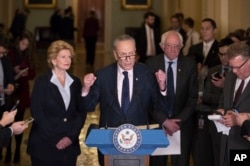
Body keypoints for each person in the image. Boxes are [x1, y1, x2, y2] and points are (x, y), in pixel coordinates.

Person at [82, 34, 166, 166]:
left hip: (140, 142)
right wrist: (86, 89)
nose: (128, 60)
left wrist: (162, 87)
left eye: (131, 54)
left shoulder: (147, 74)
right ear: (115, 55)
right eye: (123, 55)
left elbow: (159, 107)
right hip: (109, 142)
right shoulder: (103, 75)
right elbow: (89, 106)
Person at [27, 40, 87, 166]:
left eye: (69, 56)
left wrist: (71, 137)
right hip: (44, 147)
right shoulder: (42, 82)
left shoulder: (75, 82)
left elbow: (81, 112)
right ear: (53, 60)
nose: (68, 60)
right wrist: (56, 139)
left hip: (69, 148)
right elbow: (37, 113)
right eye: (63, 57)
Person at [145, 30, 198, 166]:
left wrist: (177, 122)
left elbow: (192, 98)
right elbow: (148, 99)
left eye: (177, 46)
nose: (173, 50)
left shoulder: (190, 64)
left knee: (181, 163)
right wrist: (164, 121)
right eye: (169, 45)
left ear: (181, 46)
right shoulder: (151, 64)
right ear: (162, 46)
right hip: (157, 123)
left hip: (182, 124)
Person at [193, 37, 233, 166]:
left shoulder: (238, 72)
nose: (223, 58)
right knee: (211, 156)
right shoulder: (213, 70)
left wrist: (225, 87)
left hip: (232, 122)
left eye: (226, 54)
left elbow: (234, 100)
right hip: (213, 120)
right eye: (221, 54)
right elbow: (206, 96)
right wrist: (212, 98)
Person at [215, 42, 250, 166]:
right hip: (226, 141)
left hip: (244, 143)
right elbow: (223, 101)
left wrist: (237, 120)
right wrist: (220, 112)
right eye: (231, 67)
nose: (234, 71)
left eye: (238, 67)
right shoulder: (230, 76)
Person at [5, 31, 36, 163]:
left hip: (22, 91)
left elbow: (33, 73)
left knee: (19, 121)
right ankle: (7, 151)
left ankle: (17, 150)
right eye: (23, 44)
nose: (24, 47)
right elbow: (5, 69)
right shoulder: (10, 53)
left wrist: (25, 74)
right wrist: (14, 70)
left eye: (27, 45)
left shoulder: (29, 55)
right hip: (10, 91)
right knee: (7, 123)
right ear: (18, 42)